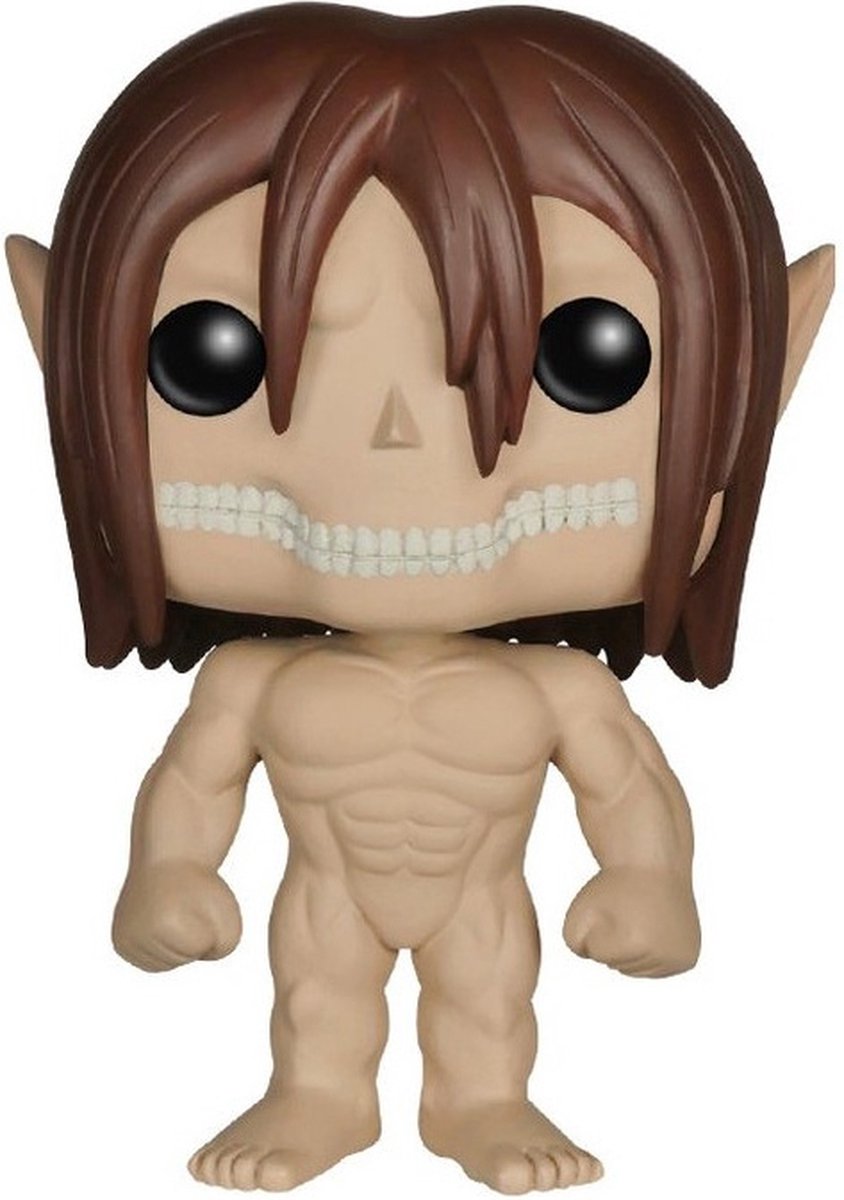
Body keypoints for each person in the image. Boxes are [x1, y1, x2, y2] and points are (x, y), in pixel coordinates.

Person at [6, 4, 833, 1193]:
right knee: (317, 988)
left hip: (479, 893)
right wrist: (167, 876)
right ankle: (320, 1097)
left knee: (487, 992)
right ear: (57, 355)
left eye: (587, 355)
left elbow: (628, 789)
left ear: (770, 365)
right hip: (327, 888)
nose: (396, 441)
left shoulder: (561, 691)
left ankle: (481, 1104)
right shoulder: (249, 683)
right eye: (209, 356)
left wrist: (651, 882)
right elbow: (190, 788)